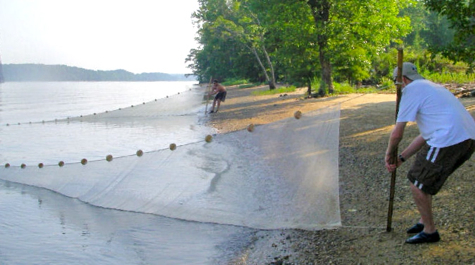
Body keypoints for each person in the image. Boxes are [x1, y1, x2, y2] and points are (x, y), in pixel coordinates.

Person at [385, 62, 475, 244]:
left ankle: (430, 231)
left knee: (417, 183)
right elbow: (426, 134)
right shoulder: (433, 87)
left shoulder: (411, 91)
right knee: (424, 180)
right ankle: (423, 220)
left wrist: (389, 154)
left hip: (449, 139)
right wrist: (401, 157)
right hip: (467, 138)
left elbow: (397, 133)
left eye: (397, 83)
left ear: (402, 80)